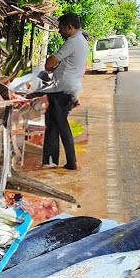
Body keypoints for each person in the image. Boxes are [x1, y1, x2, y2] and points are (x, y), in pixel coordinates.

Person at [38, 12, 88, 170]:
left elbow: (49, 63)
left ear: (70, 27)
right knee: (52, 123)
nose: (59, 31)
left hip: (63, 90)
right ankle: (50, 160)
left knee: (61, 124)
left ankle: (71, 161)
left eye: (61, 28)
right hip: (68, 88)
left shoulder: (72, 42)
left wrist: (51, 64)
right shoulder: (82, 40)